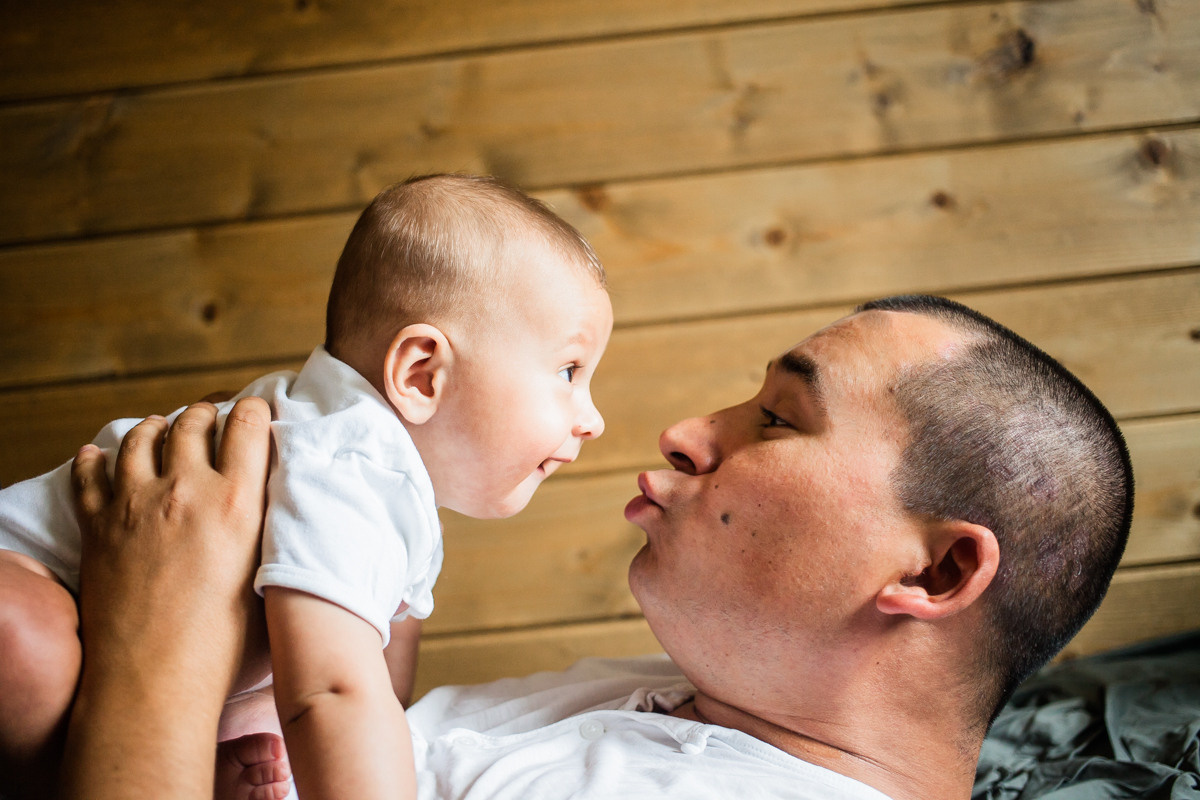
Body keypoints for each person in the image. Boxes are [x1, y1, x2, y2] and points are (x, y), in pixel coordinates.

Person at [61, 295, 1132, 800]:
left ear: (934, 571)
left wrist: (154, 642)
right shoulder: (687, 703)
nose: (686, 430)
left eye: (778, 417)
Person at [0, 174, 613, 800]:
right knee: (24, 639)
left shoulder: (382, 483)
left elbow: (362, 677)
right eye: (568, 371)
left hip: (116, 636)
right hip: (23, 570)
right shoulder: (352, 457)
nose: (591, 420)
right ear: (422, 374)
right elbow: (332, 693)